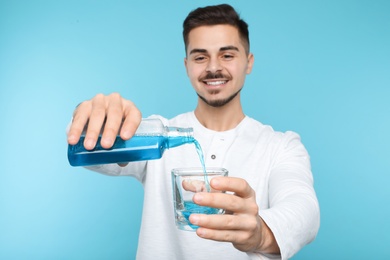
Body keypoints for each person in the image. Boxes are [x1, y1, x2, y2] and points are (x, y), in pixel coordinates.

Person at [67, 4, 320, 260]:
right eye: (200, 57)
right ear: (187, 65)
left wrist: (260, 234)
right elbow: (94, 148)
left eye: (227, 55)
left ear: (248, 62)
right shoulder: (157, 134)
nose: (213, 68)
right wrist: (89, 117)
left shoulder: (281, 146)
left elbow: (304, 211)